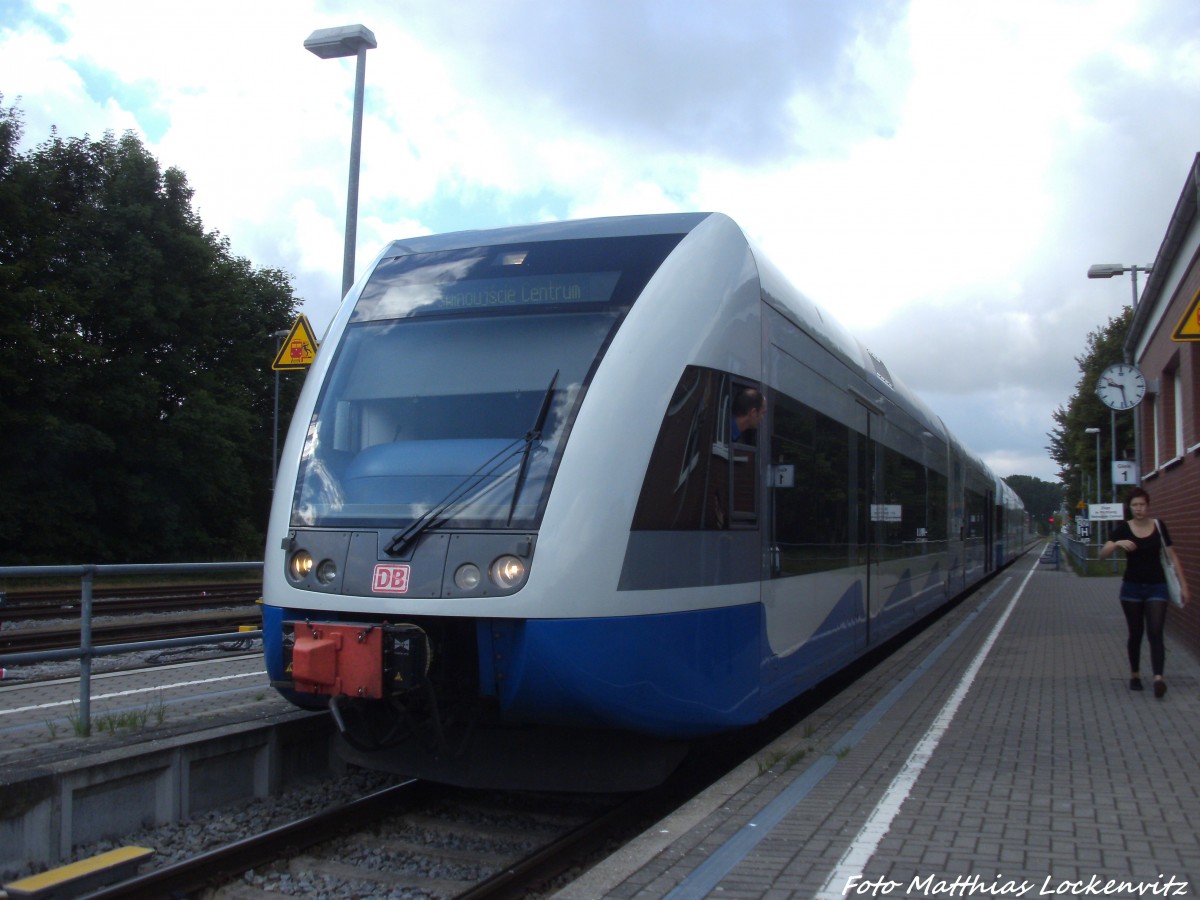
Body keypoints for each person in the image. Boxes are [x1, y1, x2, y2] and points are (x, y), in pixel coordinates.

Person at [1099, 487, 1190, 698]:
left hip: (1157, 586)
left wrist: (1183, 584)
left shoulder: (1158, 526)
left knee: (1156, 632)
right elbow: (1102, 554)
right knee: (1136, 633)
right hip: (1131, 587)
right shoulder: (1123, 529)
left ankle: (1159, 678)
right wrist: (1116, 544)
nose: (1139, 509)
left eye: (1142, 505)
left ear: (1147, 506)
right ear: (1130, 508)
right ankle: (1135, 674)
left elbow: (1172, 557)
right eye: (1135, 505)